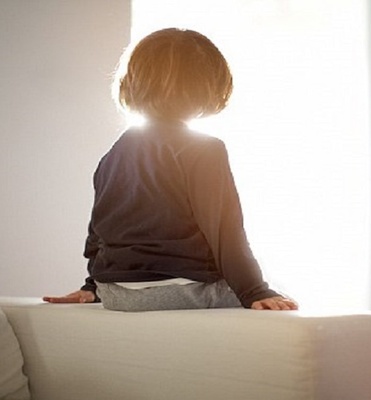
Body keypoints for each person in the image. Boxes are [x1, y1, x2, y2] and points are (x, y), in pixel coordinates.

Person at [43, 28, 297, 312]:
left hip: (115, 294)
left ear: (132, 83)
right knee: (277, 289)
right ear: (211, 86)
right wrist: (255, 291)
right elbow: (225, 234)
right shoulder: (205, 149)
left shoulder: (112, 155)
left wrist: (92, 287)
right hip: (178, 291)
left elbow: (99, 234)